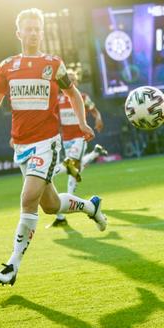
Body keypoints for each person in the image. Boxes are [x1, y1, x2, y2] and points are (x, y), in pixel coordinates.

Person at [0, 8, 108, 286]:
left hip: (46, 144)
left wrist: (83, 123)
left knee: (28, 199)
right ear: (19, 33)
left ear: (41, 32)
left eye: (38, 28)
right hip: (22, 147)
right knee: (51, 205)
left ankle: (12, 265)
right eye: (29, 28)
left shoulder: (53, 65)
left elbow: (72, 93)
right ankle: (90, 207)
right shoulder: (7, 67)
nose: (34, 33)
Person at [48, 64, 108, 228]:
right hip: (66, 138)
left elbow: (94, 110)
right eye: (69, 79)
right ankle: (95, 153)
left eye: (74, 79)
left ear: (77, 81)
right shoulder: (58, 99)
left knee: (72, 164)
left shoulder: (82, 96)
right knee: (75, 171)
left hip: (80, 138)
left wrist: (98, 118)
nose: (71, 81)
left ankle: (59, 171)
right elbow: (54, 117)